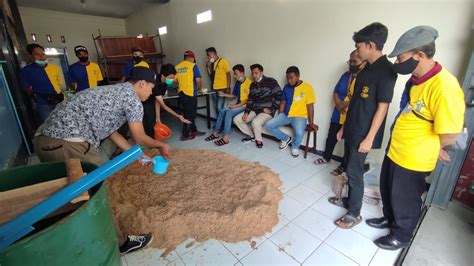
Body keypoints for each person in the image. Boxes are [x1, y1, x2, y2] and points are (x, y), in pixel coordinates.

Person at [33, 67, 170, 254]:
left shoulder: (112, 91)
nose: (151, 93)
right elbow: (140, 137)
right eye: (151, 88)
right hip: (68, 143)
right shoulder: (132, 99)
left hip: (44, 140)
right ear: (142, 83)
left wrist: (138, 155)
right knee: (97, 193)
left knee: (70, 193)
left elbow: (111, 132)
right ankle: (121, 243)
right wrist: (160, 145)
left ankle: (75, 233)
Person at [367, 26, 465, 250]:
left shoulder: (444, 86)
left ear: (419, 55)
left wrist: (433, 147)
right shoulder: (417, 79)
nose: (398, 63)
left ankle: (401, 235)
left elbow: (451, 132)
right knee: (388, 188)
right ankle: (390, 220)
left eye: (401, 57)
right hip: (398, 149)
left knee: (406, 198)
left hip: (415, 157)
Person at [332, 22, 397, 229]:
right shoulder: (366, 69)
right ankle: (351, 202)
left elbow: (382, 107)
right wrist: (344, 126)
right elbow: (355, 101)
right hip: (352, 128)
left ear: (370, 45)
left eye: (359, 46)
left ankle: (354, 213)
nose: (357, 51)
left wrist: (369, 138)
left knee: (354, 171)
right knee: (349, 167)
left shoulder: (386, 71)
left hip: (364, 133)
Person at [314, 51, 366, 176]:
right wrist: (338, 104)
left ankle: (343, 166)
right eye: (350, 61)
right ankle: (326, 157)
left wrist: (346, 104)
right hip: (338, 111)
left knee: (348, 142)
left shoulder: (365, 78)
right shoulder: (345, 75)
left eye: (354, 62)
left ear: (363, 62)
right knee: (332, 135)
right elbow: (336, 91)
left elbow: (361, 97)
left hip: (352, 113)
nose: (351, 64)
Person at [265, 66, 317, 157]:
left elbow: (310, 106)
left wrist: (311, 123)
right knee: (269, 125)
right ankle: (285, 139)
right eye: (287, 78)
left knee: (299, 132)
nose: (289, 80)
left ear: (298, 76)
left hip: (300, 117)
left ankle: (295, 147)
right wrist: (280, 115)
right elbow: (283, 102)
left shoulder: (307, 87)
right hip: (286, 115)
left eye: (291, 78)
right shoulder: (286, 87)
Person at [233, 64, 281, 148]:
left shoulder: (271, 81)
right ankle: (252, 136)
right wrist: (246, 112)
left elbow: (279, 96)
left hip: (267, 110)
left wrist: (271, 109)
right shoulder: (252, 85)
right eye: (252, 73)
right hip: (255, 109)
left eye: (256, 73)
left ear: (261, 72)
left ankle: (259, 140)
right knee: (237, 119)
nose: (254, 75)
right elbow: (250, 100)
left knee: (255, 122)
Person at [205, 64, 252, 145]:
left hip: (245, 106)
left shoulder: (249, 83)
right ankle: (215, 133)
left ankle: (226, 137)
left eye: (236, 74)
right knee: (222, 110)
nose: (234, 76)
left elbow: (247, 100)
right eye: (234, 74)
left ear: (242, 73)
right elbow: (234, 95)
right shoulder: (238, 83)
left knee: (229, 113)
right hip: (238, 105)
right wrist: (224, 95)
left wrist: (235, 106)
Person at [142, 63, 191, 138]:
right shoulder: (155, 83)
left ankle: (152, 139)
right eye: (170, 78)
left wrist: (158, 116)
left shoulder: (164, 83)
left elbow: (157, 100)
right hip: (143, 100)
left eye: (173, 78)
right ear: (162, 75)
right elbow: (163, 106)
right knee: (149, 119)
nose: (172, 80)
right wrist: (179, 116)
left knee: (154, 119)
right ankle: (148, 140)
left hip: (151, 98)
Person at [20, 43, 64, 124]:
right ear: (30, 56)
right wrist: (37, 94)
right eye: (37, 54)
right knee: (47, 125)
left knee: (63, 122)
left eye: (43, 54)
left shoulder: (53, 68)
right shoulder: (26, 70)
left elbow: (58, 83)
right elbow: (26, 87)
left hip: (59, 100)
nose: (41, 56)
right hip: (43, 104)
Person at [175, 50, 206, 140]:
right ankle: (185, 135)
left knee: (187, 113)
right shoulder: (193, 66)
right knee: (190, 115)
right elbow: (198, 79)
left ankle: (194, 130)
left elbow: (176, 80)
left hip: (182, 94)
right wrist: (199, 89)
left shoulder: (177, 67)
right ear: (192, 58)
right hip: (191, 93)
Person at [206, 47, 231, 116]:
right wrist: (208, 67)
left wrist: (228, 87)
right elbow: (211, 76)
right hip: (214, 88)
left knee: (219, 107)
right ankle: (219, 124)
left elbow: (228, 74)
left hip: (222, 88)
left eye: (209, 55)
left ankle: (221, 124)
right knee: (216, 107)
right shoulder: (212, 63)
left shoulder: (223, 61)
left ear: (214, 54)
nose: (208, 58)